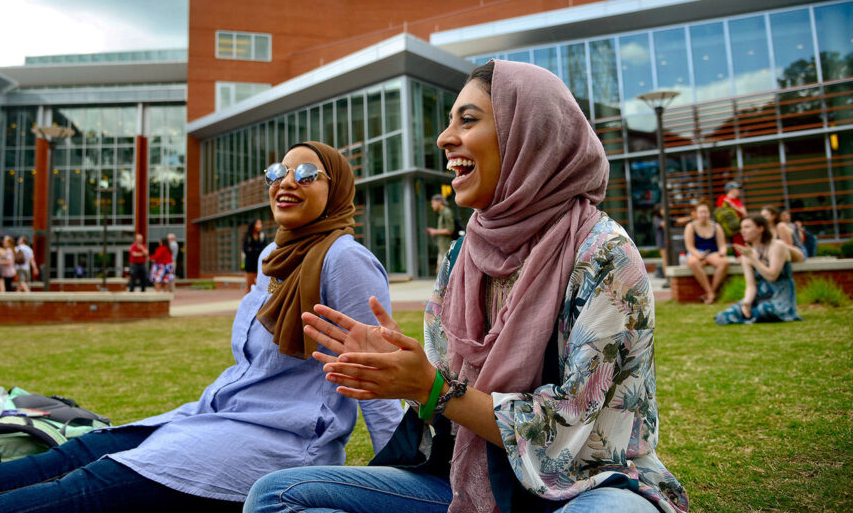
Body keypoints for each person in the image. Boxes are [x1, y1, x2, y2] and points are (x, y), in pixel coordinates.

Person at [0, 142, 402, 513]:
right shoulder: (273, 260)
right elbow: (248, 367)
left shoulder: (342, 259)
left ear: (337, 189)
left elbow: (383, 385)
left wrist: (390, 485)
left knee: (81, 491)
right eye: (278, 170)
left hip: (275, 443)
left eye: (308, 173)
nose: (287, 180)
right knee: (79, 452)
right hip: (214, 416)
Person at [246, 61, 687, 513]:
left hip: (588, 483)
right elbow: (443, 402)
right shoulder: (462, 255)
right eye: (449, 120)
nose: (444, 137)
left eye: (468, 119)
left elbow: (573, 426)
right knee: (275, 496)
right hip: (468, 477)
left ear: (528, 135)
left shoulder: (603, 253)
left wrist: (434, 389)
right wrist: (404, 376)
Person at [715, 214, 801, 325]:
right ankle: (750, 315)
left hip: (781, 296)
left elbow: (772, 276)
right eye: (742, 228)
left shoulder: (777, 246)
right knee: (724, 316)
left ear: (761, 228)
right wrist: (747, 302)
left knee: (763, 310)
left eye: (747, 227)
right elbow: (751, 286)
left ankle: (752, 316)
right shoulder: (747, 254)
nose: (742, 231)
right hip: (760, 296)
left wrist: (753, 259)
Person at [683, 201, 730, 304]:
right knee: (693, 262)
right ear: (696, 214)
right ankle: (710, 292)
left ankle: (711, 292)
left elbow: (722, 245)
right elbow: (689, 246)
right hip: (696, 252)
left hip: (712, 253)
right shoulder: (690, 226)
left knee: (724, 262)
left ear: (709, 213)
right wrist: (697, 255)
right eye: (701, 212)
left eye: (705, 212)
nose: (703, 215)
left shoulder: (716, 226)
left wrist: (722, 252)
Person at [425, 194, 455, 273]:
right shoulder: (442, 213)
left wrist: (435, 231)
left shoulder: (446, 212)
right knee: (439, 273)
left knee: (442, 273)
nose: (432, 206)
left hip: (446, 248)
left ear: (440, 202)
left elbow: (450, 230)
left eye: (433, 203)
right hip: (442, 248)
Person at [715, 180, 747, 251]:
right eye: (737, 189)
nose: (739, 191)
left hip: (739, 228)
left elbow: (745, 214)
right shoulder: (722, 199)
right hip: (729, 230)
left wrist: (733, 206)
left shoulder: (738, 201)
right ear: (731, 190)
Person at [242, 219, 269, 290]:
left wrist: (253, 249)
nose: (260, 226)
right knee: (249, 286)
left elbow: (265, 249)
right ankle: (248, 301)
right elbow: (246, 250)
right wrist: (258, 250)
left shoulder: (263, 236)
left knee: (261, 287)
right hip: (250, 265)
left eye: (260, 224)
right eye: (258, 224)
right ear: (253, 225)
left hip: (260, 264)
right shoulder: (247, 236)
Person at [652, 204, 667, 278]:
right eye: (662, 210)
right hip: (662, 242)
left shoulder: (664, 218)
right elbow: (663, 224)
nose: (664, 211)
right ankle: (667, 277)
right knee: (665, 259)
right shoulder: (656, 219)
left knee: (667, 259)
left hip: (666, 242)